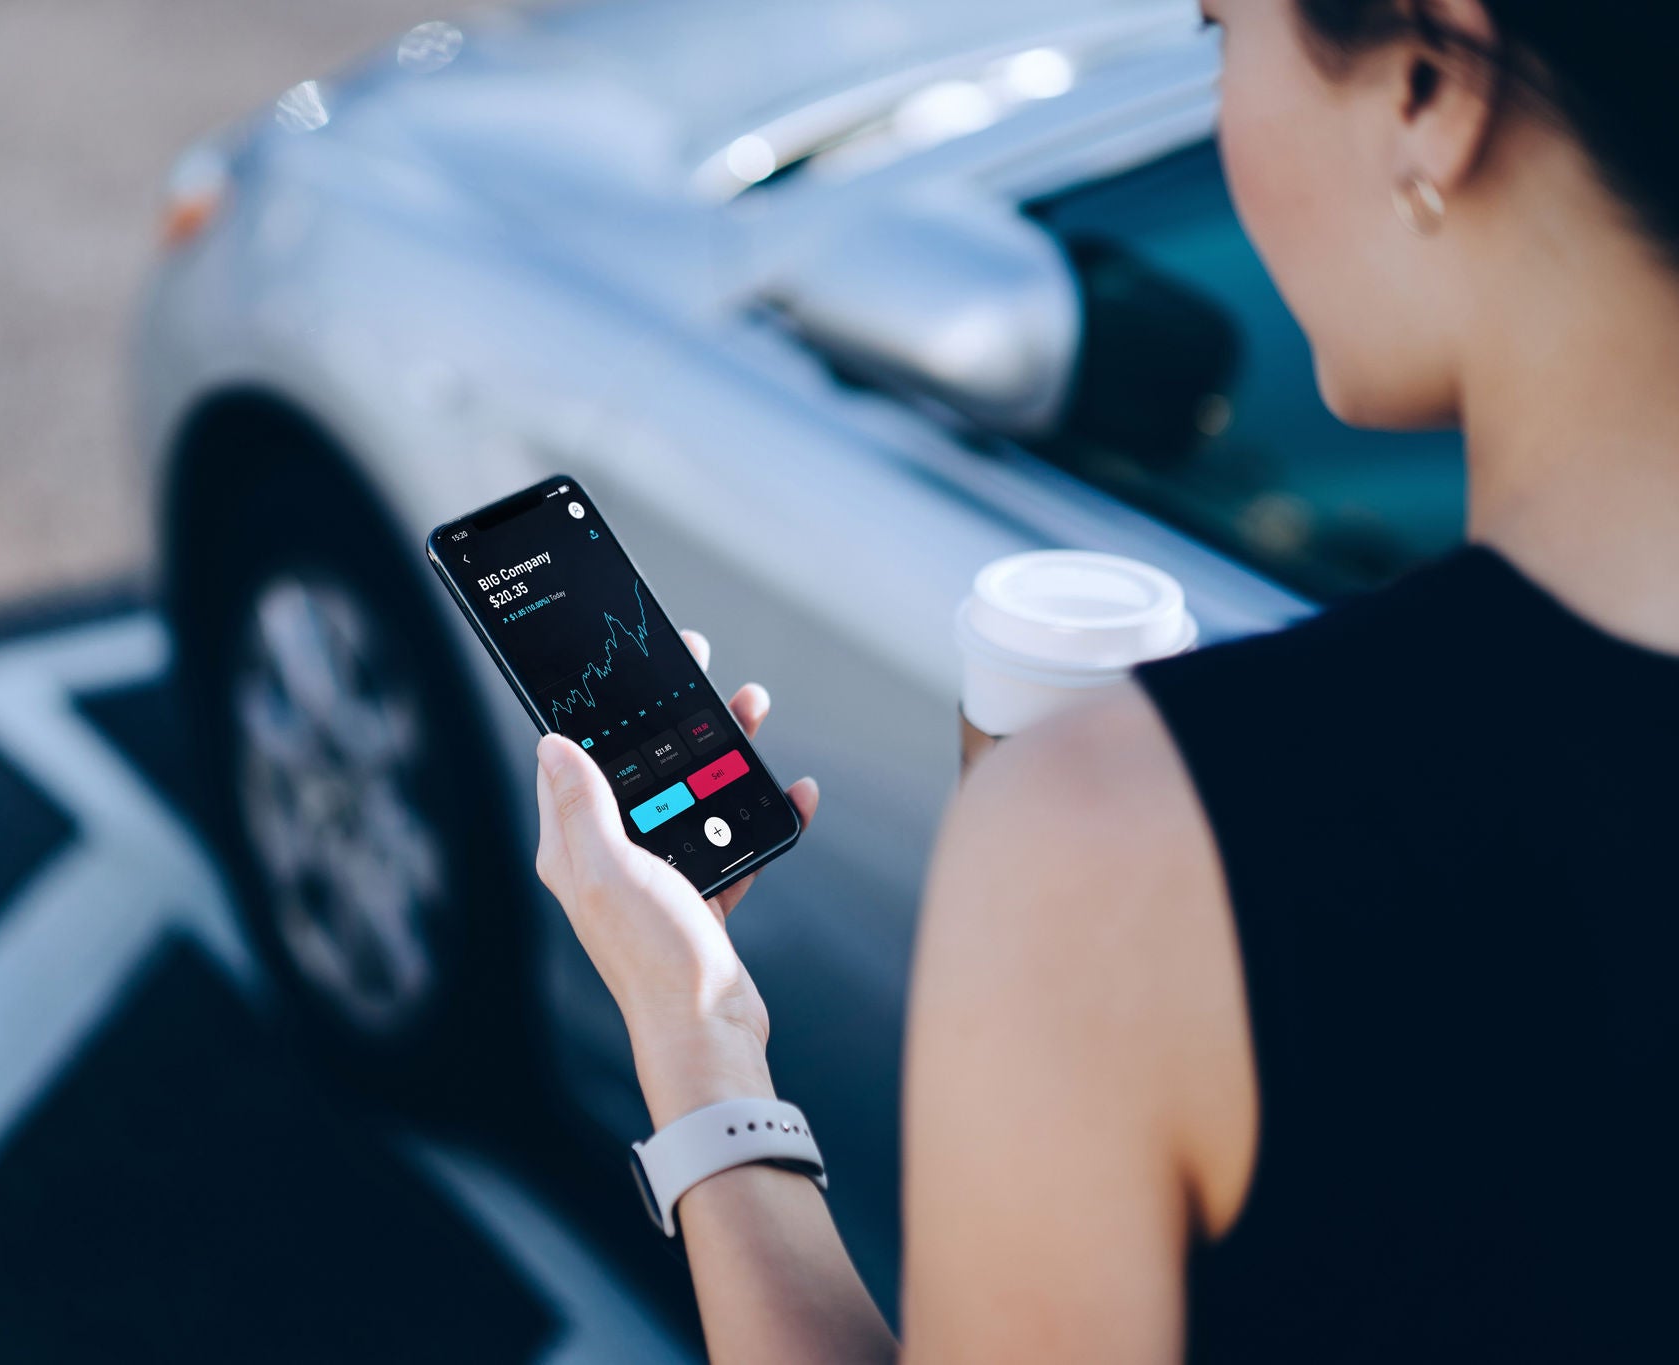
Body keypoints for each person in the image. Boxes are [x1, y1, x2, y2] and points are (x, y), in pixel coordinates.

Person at [529, 0, 1679, 1358]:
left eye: (1219, 32)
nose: (1218, 105)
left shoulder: (1141, 847)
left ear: (1430, 78)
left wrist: (693, 1026)